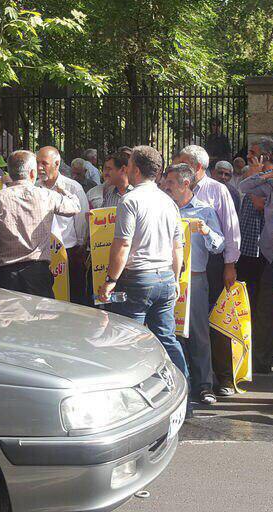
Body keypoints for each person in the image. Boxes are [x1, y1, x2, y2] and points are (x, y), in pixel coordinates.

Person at [98, 145, 188, 376]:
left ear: (136, 170)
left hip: (138, 279)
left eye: (128, 165)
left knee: (129, 338)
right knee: (166, 338)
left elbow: (122, 244)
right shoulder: (168, 202)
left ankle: (135, 387)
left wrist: (110, 280)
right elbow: (177, 246)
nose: (126, 169)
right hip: (165, 278)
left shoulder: (129, 200)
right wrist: (175, 278)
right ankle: (183, 383)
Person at [177, 144, 244, 397]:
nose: (179, 166)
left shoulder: (217, 190)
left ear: (197, 167)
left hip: (214, 263)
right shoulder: (173, 191)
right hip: (184, 267)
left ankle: (223, 378)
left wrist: (230, 265)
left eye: (184, 163)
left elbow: (230, 229)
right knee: (184, 325)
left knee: (215, 321)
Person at [163, 163, 226, 406]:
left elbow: (219, 245)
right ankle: (179, 385)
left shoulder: (204, 210)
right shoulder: (164, 207)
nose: (166, 186)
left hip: (195, 278)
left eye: (170, 182)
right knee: (171, 333)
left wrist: (207, 231)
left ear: (185, 184)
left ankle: (204, 385)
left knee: (198, 333)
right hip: (167, 277)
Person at [0, 150, 80, 296]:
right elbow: (75, 207)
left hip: (5, 275)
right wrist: (63, 190)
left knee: (7, 311)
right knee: (39, 311)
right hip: (38, 274)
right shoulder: (47, 196)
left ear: (10, 173)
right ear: (32, 173)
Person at [237, 137, 273, 373]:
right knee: (265, 311)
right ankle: (261, 362)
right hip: (271, 260)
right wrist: (264, 174)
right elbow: (244, 187)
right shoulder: (271, 184)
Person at [37, 147, 91, 304]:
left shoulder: (72, 188)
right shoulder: (34, 187)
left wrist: (79, 247)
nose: (39, 167)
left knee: (73, 299)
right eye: (37, 163)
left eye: (44, 163)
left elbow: (81, 221)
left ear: (57, 163)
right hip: (41, 255)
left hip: (69, 253)